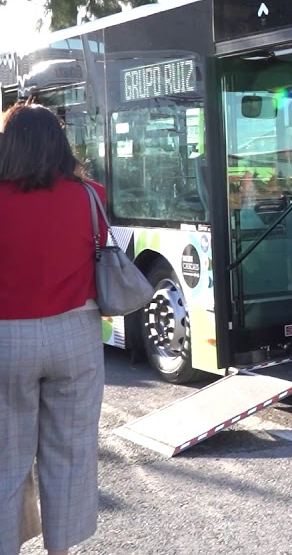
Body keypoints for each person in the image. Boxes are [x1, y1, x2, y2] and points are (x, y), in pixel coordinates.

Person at [0, 103, 106, 555]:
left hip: (5, 337)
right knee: (71, 452)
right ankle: (60, 551)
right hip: (75, 335)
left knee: (6, 459)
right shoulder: (89, 195)